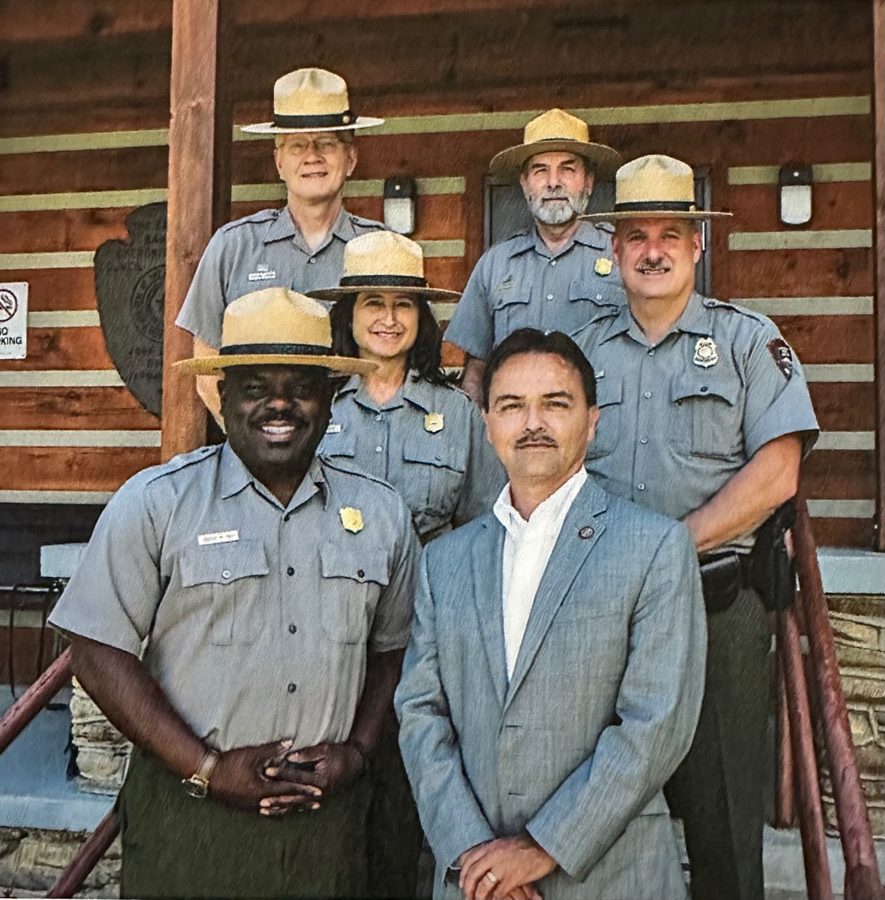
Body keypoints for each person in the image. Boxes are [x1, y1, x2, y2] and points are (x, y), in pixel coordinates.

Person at [49, 287, 419, 899]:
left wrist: (357, 751)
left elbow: (391, 653)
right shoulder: (157, 503)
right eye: (254, 386)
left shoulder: (381, 514)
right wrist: (208, 769)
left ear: (330, 398)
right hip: (190, 822)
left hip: (328, 834)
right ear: (223, 397)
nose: (279, 403)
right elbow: (96, 649)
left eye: (300, 385)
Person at [571, 154, 820, 900]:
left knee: (722, 830)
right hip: (598, 619)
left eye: (670, 234)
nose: (653, 249)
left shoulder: (746, 342)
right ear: (612, 250)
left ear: (697, 245)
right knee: (590, 820)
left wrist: (667, 547)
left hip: (715, 609)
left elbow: (778, 471)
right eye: (636, 234)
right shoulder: (576, 352)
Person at [395, 328, 707, 900]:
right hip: (477, 882)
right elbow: (420, 714)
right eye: (511, 406)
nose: (532, 422)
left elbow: (655, 725)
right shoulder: (444, 561)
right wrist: (476, 857)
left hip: (611, 877)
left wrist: (539, 850)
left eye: (555, 404)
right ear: (486, 422)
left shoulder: (655, 548)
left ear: (592, 420)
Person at [308, 229, 504, 899]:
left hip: (424, 645)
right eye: (370, 304)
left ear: (422, 318)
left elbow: (485, 529)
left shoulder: (457, 416)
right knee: (329, 803)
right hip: (331, 639)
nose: (387, 319)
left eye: (402, 304)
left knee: (405, 800)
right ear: (348, 317)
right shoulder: (315, 410)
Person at [175, 67, 386, 421]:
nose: (312, 156)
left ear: (350, 159)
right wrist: (258, 447)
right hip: (261, 455)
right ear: (279, 162)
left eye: (327, 144)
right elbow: (207, 372)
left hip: (358, 455)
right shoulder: (232, 247)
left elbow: (398, 365)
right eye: (297, 145)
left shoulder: (381, 248)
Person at [443, 108, 624, 403]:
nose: (554, 182)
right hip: (516, 440)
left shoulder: (621, 256)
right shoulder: (495, 265)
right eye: (541, 170)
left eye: (567, 169)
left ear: (588, 181)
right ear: (525, 183)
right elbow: (476, 373)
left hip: (602, 440)